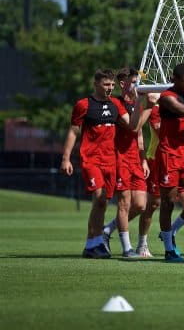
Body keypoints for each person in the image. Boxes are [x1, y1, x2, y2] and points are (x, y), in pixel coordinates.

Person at [134, 63, 184, 262]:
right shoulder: (167, 98)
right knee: (168, 202)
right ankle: (169, 250)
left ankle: (170, 231)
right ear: (174, 80)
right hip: (168, 155)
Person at [61, 68, 127, 258]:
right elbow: (74, 132)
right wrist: (66, 159)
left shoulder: (116, 104)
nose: (110, 88)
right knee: (99, 199)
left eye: (112, 85)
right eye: (106, 84)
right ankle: (96, 243)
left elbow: (133, 125)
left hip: (110, 161)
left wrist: (145, 103)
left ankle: (91, 244)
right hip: (91, 160)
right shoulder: (83, 105)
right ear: (96, 84)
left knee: (102, 204)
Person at [101, 68, 150, 258]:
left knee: (140, 205)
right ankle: (127, 248)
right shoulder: (115, 103)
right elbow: (134, 126)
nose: (138, 86)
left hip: (134, 160)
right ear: (123, 84)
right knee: (124, 203)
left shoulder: (136, 104)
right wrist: (149, 106)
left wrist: (143, 159)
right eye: (134, 82)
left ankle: (108, 230)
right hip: (119, 157)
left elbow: (138, 136)